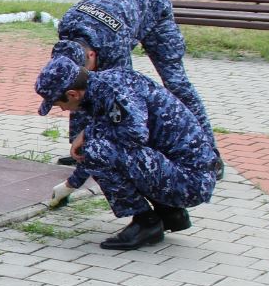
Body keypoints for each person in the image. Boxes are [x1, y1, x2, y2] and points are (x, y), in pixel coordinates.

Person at [46, 0, 221, 209]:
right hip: (120, 11)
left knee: (176, 82)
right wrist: (83, 145)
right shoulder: (68, 26)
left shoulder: (112, 43)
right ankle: (82, 151)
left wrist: (94, 137)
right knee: (81, 91)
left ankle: (211, 155)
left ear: (90, 56)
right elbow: (80, 95)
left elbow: (122, 101)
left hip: (154, 10)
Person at [35, 49, 217, 250]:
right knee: (100, 147)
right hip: (188, 173)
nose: (62, 109)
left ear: (73, 94)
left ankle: (146, 223)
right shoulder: (108, 82)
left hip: (191, 182)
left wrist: (89, 134)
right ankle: (170, 213)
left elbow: (134, 135)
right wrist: (70, 185)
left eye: (59, 103)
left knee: (97, 149)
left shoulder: (114, 93)